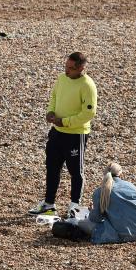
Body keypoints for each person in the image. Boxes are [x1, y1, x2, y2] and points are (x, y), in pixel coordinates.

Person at [29, 52, 98, 218]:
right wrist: (50, 111)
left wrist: (65, 122)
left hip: (75, 134)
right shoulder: (62, 78)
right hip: (57, 133)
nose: (67, 71)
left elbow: (89, 114)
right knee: (52, 167)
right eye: (66, 66)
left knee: (76, 171)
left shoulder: (87, 85)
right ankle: (49, 204)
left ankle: (74, 207)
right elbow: (54, 96)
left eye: (71, 68)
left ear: (81, 68)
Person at [51, 163, 136, 244]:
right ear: (121, 174)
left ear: (104, 175)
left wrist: (93, 211)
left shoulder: (100, 192)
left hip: (121, 235)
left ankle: (72, 222)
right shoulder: (132, 187)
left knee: (81, 222)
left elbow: (95, 219)